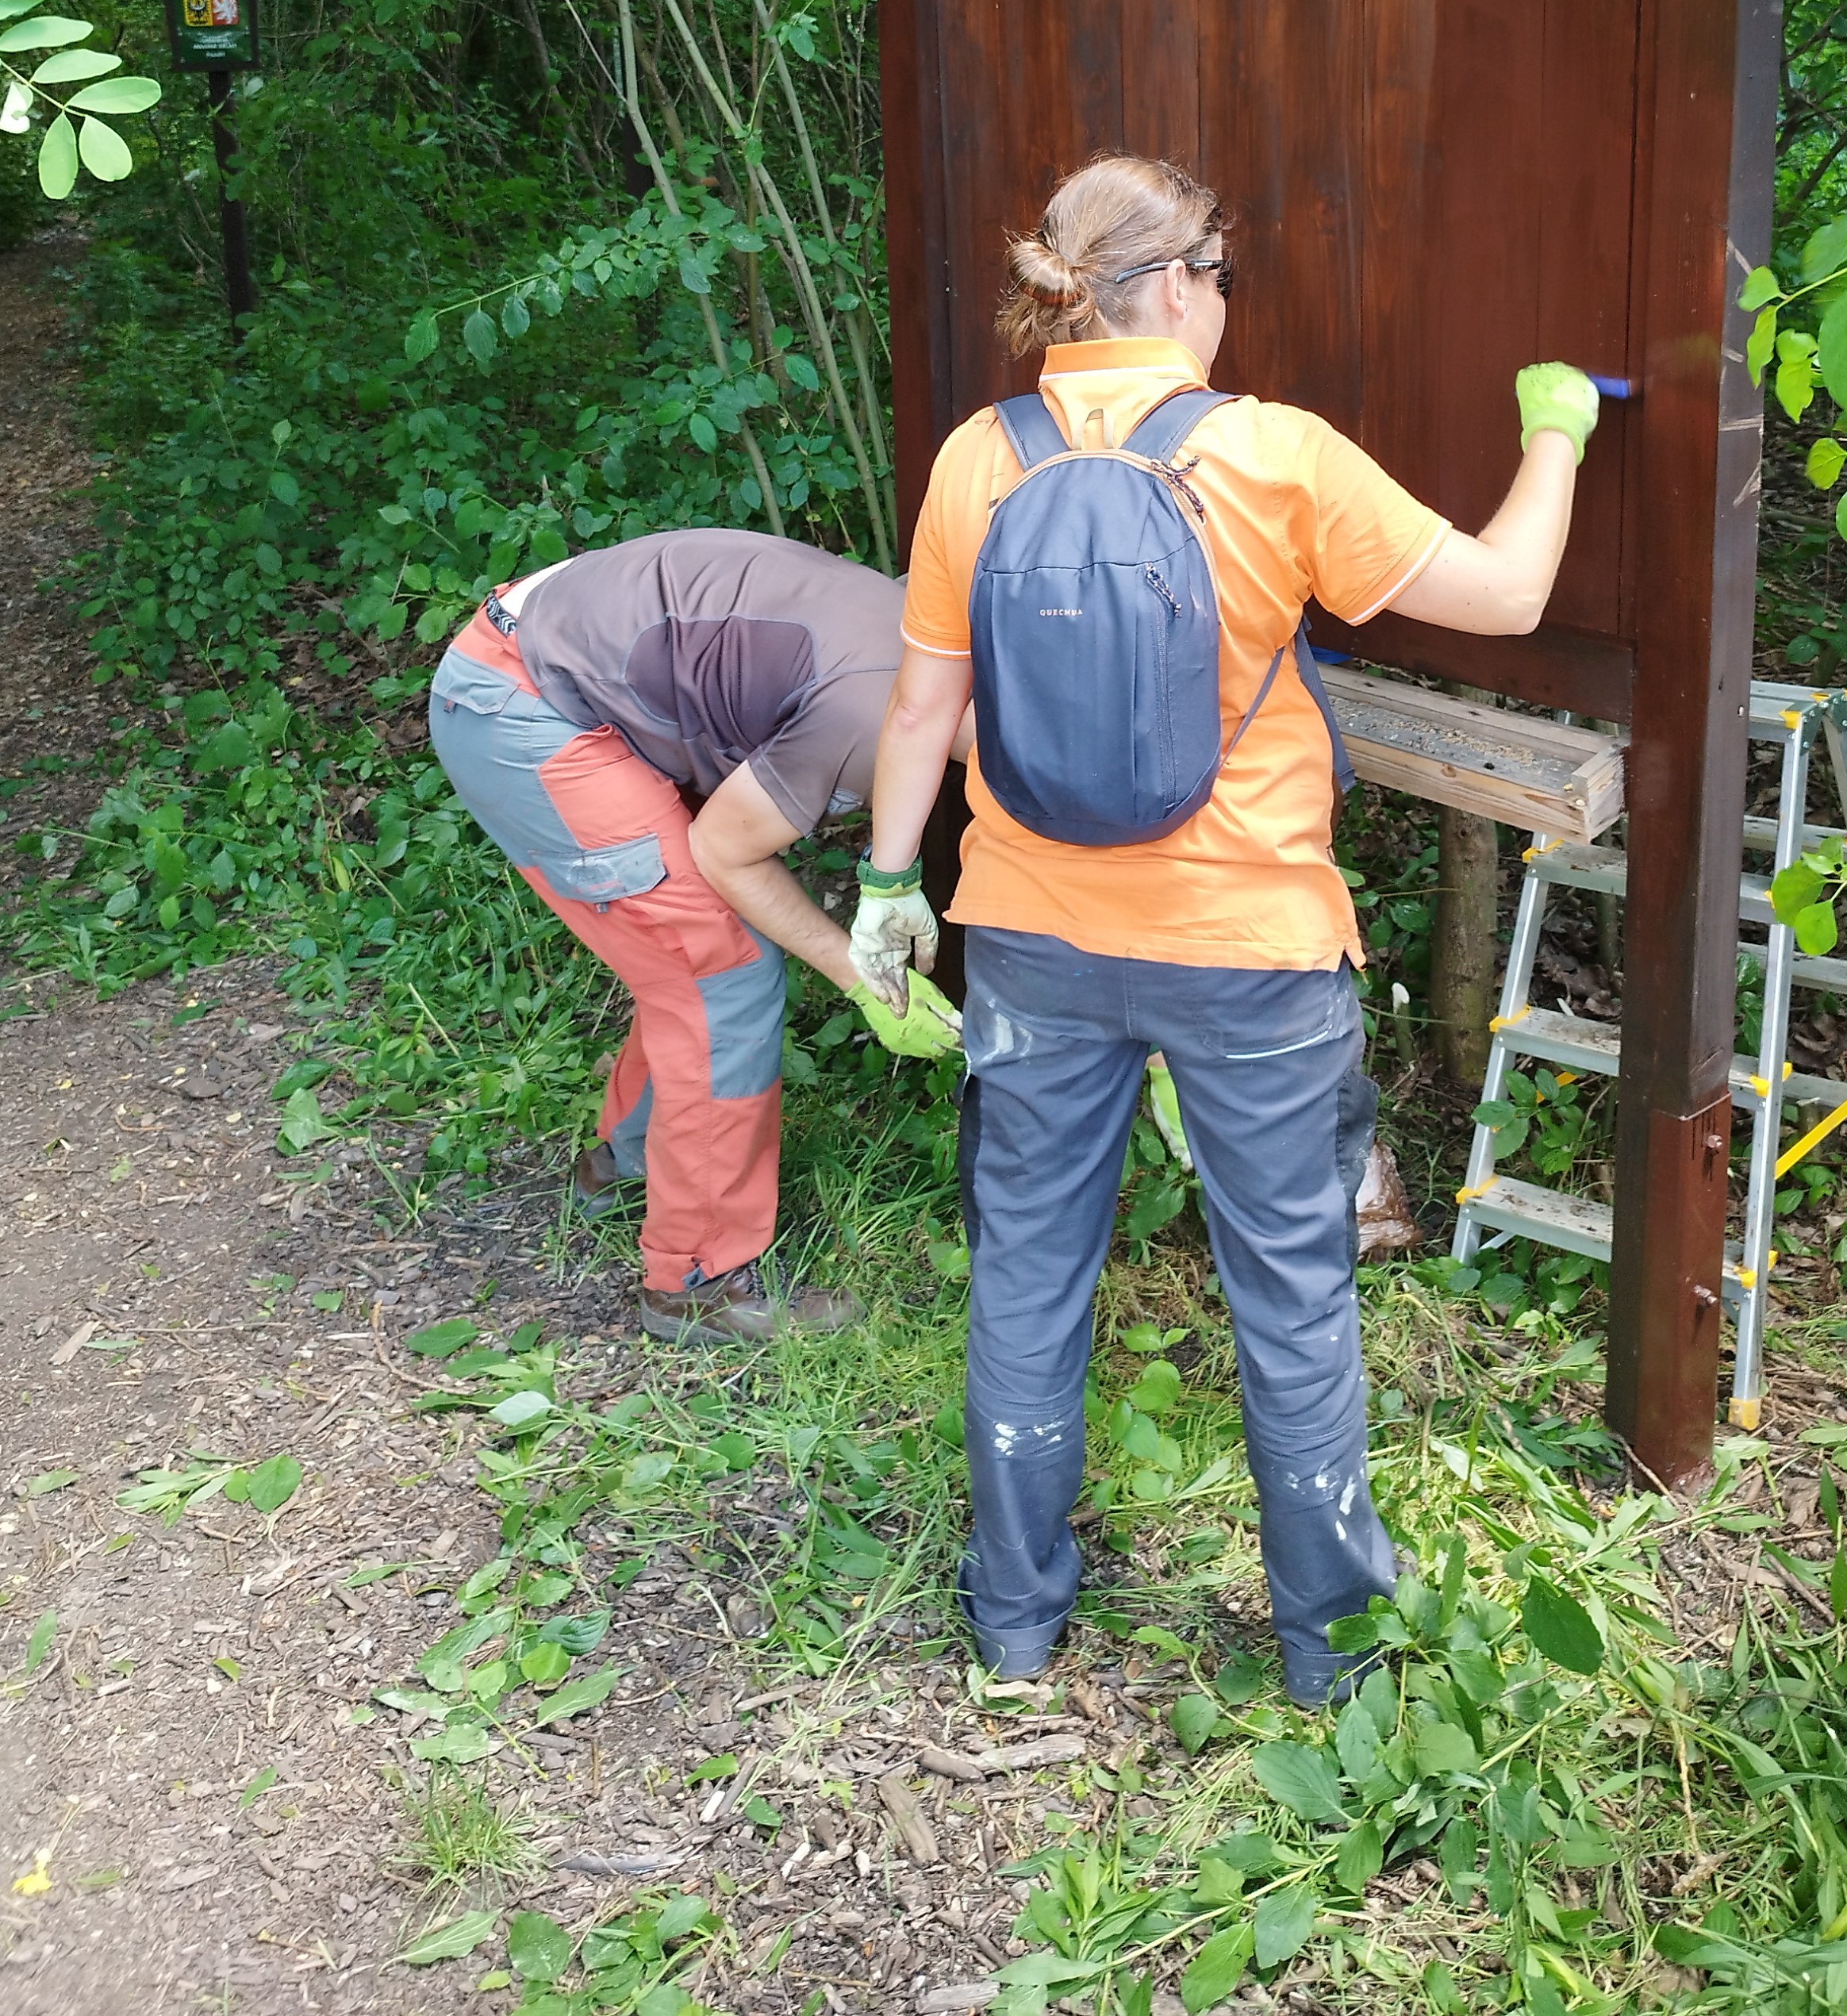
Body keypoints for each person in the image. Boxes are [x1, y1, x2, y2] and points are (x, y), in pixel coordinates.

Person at [851, 152, 1594, 1700]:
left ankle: (1013, 1622)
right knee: (1292, 1300)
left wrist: (889, 887)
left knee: (1027, 1281)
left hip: (1033, 940)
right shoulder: (1275, 456)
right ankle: (1334, 1655)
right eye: (1225, 277)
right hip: (1252, 954)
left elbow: (921, 708)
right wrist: (1556, 429)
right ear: (1182, 283)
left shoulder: (979, 460)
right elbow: (1512, 593)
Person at [428, 528, 962, 1346]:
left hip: (539, 654)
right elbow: (725, 849)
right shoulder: (873, 714)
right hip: (524, 707)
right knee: (722, 970)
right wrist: (859, 978)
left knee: (686, 956)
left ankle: (625, 1164)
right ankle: (695, 1282)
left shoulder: (937, 643)